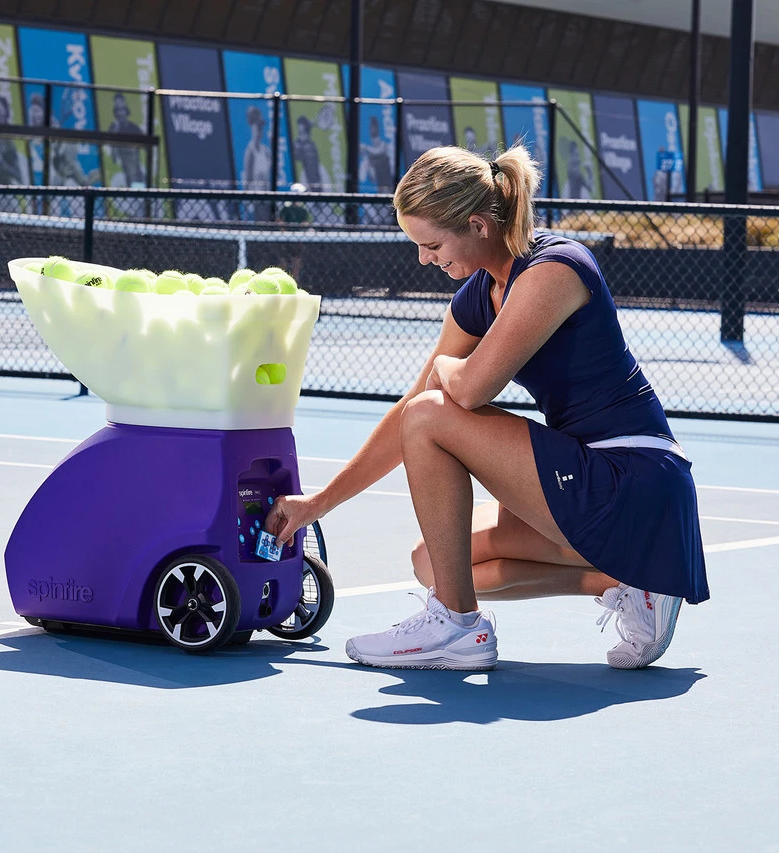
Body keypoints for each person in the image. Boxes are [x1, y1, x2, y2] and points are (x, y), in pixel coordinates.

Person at [263, 144, 708, 672]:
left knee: (431, 414)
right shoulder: (480, 295)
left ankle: (456, 626)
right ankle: (627, 584)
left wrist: (445, 367)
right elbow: (411, 409)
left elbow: (468, 390)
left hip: (633, 478)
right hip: (586, 485)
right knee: (433, 562)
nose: (424, 259)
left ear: (477, 225)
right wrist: (318, 503)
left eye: (432, 244)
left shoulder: (556, 268)